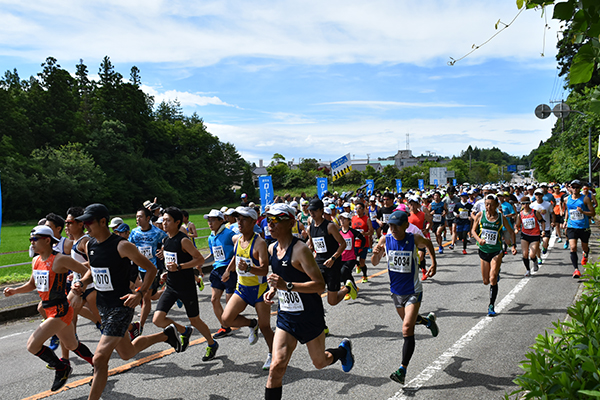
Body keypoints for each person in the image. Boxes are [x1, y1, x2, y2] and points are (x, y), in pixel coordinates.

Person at [71, 203, 182, 400]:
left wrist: (139, 292)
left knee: (99, 359)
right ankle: (166, 336)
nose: (85, 226)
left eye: (88, 222)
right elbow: (93, 271)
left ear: (103, 221)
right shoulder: (90, 245)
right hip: (103, 307)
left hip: (121, 307)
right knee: (126, 352)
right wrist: (82, 281)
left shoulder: (122, 246)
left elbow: (151, 269)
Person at [263, 203, 354, 400]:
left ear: (290, 223)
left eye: (276, 220)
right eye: (269, 219)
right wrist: (272, 289)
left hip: (309, 316)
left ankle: (342, 351)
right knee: (276, 367)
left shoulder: (300, 250)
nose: (270, 224)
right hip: (286, 317)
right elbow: (280, 276)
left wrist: (286, 286)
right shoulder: (272, 249)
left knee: (319, 362)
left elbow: (319, 285)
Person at [3, 226, 95, 392]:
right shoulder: (36, 260)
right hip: (49, 309)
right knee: (72, 344)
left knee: (32, 345)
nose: (32, 242)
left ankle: (61, 368)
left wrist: (79, 286)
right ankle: (98, 364)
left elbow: (86, 271)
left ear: (47, 240)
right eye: (30, 239)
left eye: (35, 239)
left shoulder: (59, 259)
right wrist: (15, 291)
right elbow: (32, 284)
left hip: (60, 310)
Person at [371, 211, 439, 385]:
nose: (392, 229)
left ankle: (402, 369)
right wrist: (375, 252)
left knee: (407, 328)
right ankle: (427, 321)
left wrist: (433, 263)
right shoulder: (385, 240)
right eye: (390, 226)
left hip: (413, 290)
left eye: (395, 226)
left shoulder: (414, 239)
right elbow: (375, 262)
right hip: (396, 292)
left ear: (405, 226)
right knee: (411, 321)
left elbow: (429, 243)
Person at [151, 207, 218, 360]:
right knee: (157, 319)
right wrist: (166, 273)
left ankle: (212, 343)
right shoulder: (166, 240)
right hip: (171, 286)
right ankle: (184, 331)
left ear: (177, 222)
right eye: (163, 220)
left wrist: (180, 267)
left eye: (168, 220)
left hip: (186, 287)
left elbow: (199, 259)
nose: (164, 223)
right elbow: (172, 262)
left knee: (195, 319)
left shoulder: (183, 240)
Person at [221, 207, 274, 370]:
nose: (239, 222)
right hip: (242, 288)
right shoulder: (237, 239)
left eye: (243, 219)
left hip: (259, 291)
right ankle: (251, 323)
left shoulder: (259, 243)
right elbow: (236, 256)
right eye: (238, 219)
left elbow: (265, 270)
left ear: (253, 222)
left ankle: (273, 354)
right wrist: (228, 270)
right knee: (226, 319)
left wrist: (249, 268)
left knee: (265, 327)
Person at [471, 195, 517, 316]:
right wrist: (479, 239)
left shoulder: (501, 218)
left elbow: (511, 232)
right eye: (486, 204)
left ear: (497, 205)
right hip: (483, 250)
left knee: (492, 278)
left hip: (497, 250)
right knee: (486, 281)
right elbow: (473, 231)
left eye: (491, 204)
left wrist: (513, 246)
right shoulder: (480, 215)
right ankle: (495, 274)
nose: (488, 207)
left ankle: (491, 306)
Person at [128, 207, 169, 336]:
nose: (137, 219)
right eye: (136, 217)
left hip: (153, 268)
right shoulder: (134, 233)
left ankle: (139, 327)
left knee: (146, 296)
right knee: (150, 296)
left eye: (140, 217)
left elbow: (168, 240)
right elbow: (128, 246)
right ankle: (168, 292)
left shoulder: (157, 232)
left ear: (147, 218)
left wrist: (163, 249)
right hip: (139, 268)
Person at [306, 199, 351, 309]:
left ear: (321, 211)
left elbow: (343, 244)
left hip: (332, 265)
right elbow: (312, 246)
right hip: (318, 264)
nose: (312, 212)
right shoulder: (310, 228)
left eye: (314, 210)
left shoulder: (329, 226)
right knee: (314, 295)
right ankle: (320, 324)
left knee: (332, 301)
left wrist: (333, 258)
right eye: (310, 210)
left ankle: (348, 288)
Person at [205, 209, 237, 338]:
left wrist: (229, 270)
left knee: (230, 304)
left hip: (228, 269)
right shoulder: (211, 237)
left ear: (221, 220)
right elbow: (213, 254)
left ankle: (251, 323)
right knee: (214, 300)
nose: (210, 223)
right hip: (217, 270)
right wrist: (201, 261)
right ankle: (225, 327)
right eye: (208, 220)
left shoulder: (230, 234)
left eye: (213, 220)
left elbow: (237, 253)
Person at [563, 179, 596, 278]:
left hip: (584, 227)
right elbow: (568, 211)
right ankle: (576, 270)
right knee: (573, 247)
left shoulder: (585, 199)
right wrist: (565, 220)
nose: (575, 189)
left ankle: (585, 254)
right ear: (570, 188)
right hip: (572, 227)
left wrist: (583, 212)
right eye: (573, 187)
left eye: (577, 187)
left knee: (584, 247)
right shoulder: (566, 199)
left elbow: (593, 213)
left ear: (580, 188)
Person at [514, 196, 544, 277]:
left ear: (529, 204)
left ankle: (535, 261)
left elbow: (542, 221)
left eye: (527, 203)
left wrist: (543, 231)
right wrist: (516, 229)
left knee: (532, 255)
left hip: (535, 235)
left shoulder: (535, 212)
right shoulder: (520, 214)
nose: (525, 205)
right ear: (521, 204)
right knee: (525, 254)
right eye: (523, 204)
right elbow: (517, 224)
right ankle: (528, 270)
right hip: (525, 235)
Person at [337, 212, 364, 299]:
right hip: (341, 257)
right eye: (340, 218)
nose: (342, 220)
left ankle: (347, 290)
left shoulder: (352, 232)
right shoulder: (338, 232)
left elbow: (362, 239)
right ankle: (354, 288)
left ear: (348, 220)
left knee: (344, 272)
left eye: (344, 219)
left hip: (351, 257)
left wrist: (359, 250)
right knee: (347, 274)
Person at [351, 202, 373, 282]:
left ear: (363, 209)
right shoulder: (353, 218)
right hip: (355, 243)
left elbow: (371, 231)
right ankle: (358, 265)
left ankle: (364, 275)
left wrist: (365, 233)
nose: (358, 210)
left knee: (362, 262)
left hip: (364, 243)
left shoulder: (367, 219)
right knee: (352, 259)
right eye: (356, 208)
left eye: (359, 208)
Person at [531, 188, 554, 265]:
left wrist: (553, 221)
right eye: (536, 194)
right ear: (535, 195)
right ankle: (539, 258)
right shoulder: (532, 205)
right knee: (536, 245)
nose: (538, 196)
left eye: (540, 194)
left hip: (546, 227)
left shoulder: (548, 204)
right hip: (536, 228)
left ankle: (545, 247)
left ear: (543, 195)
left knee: (545, 243)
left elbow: (552, 213)